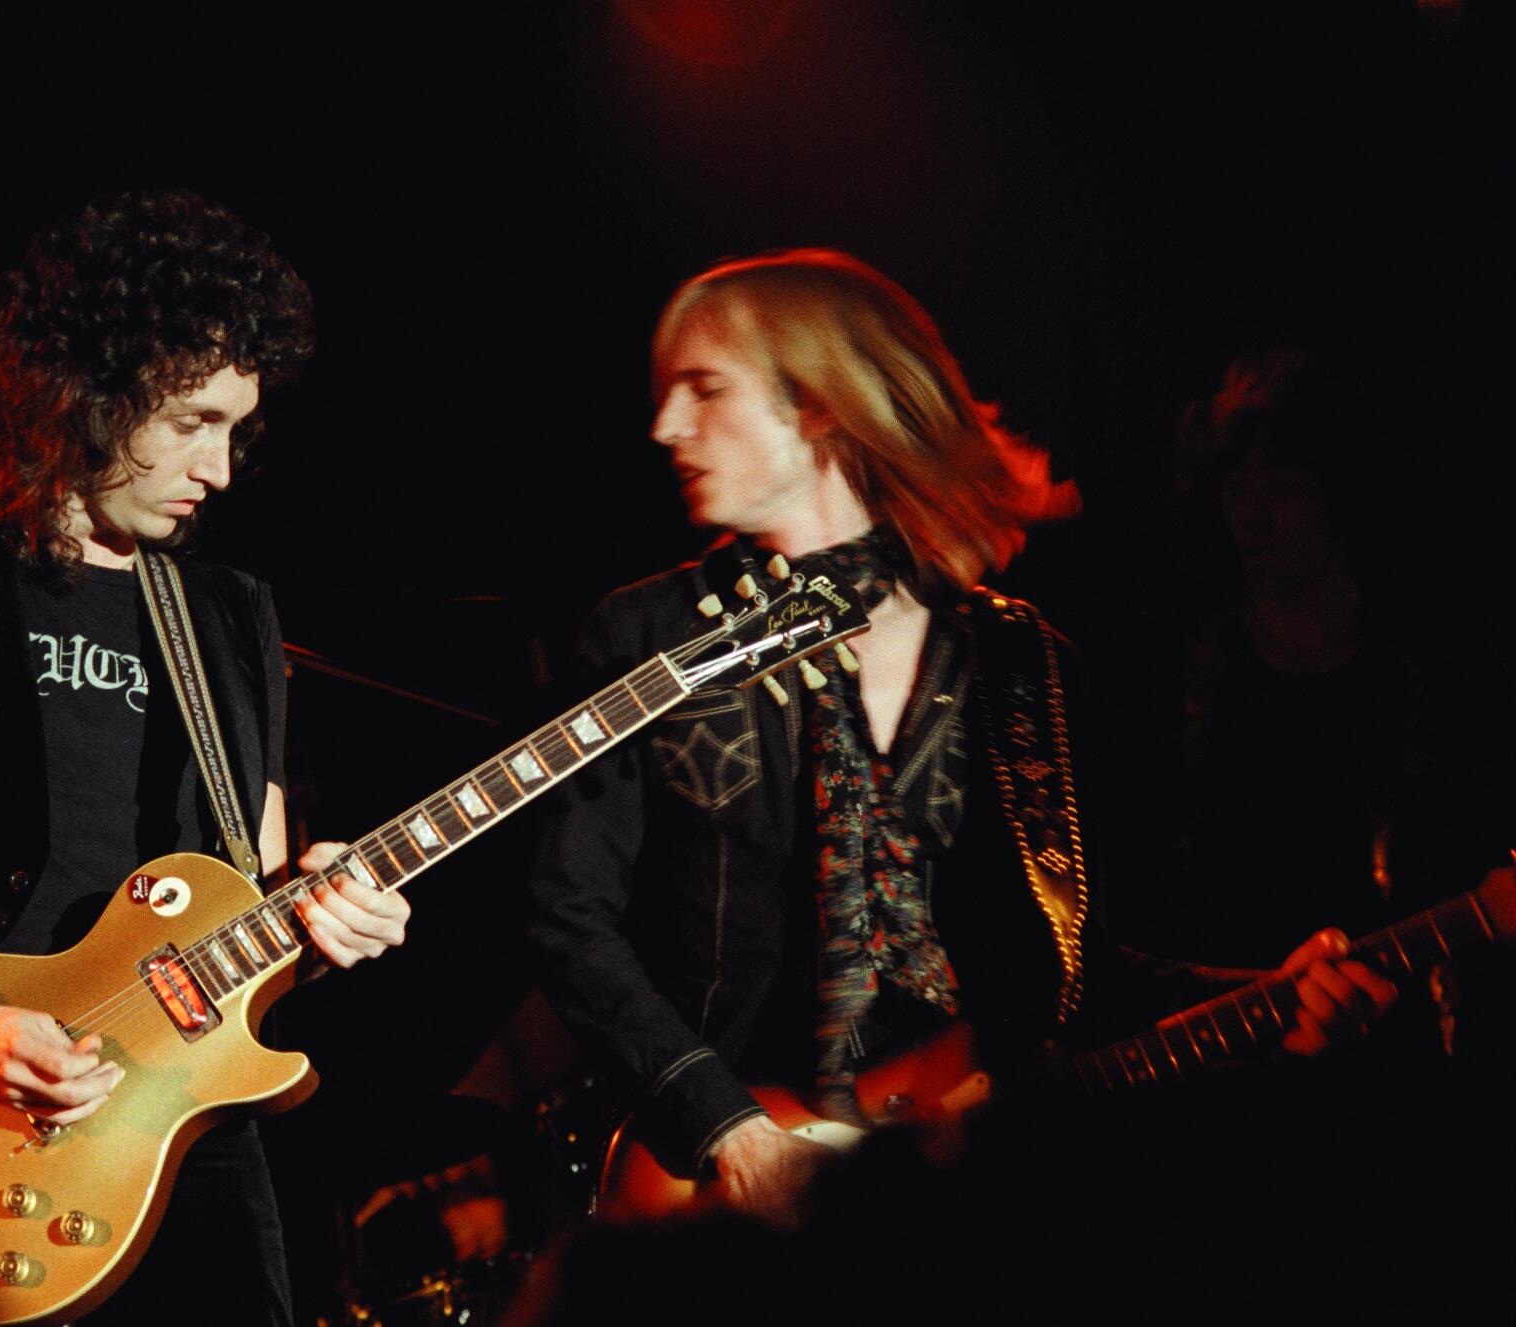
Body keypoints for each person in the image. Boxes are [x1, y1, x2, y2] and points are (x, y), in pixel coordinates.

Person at [525, 249, 1397, 1236]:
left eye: (703, 387)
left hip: (964, 1212)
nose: (663, 425)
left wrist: (1266, 998)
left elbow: (1066, 971)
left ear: (819, 401)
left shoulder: (1019, 659)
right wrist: (723, 1126)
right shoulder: (646, 637)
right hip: (721, 1206)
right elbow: (569, 923)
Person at [0, 189, 411, 1325]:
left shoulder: (227, 611)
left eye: (237, 429)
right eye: (192, 421)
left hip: (175, 1128)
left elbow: (241, 908)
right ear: (89, 392)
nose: (220, 463)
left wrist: (319, 914)